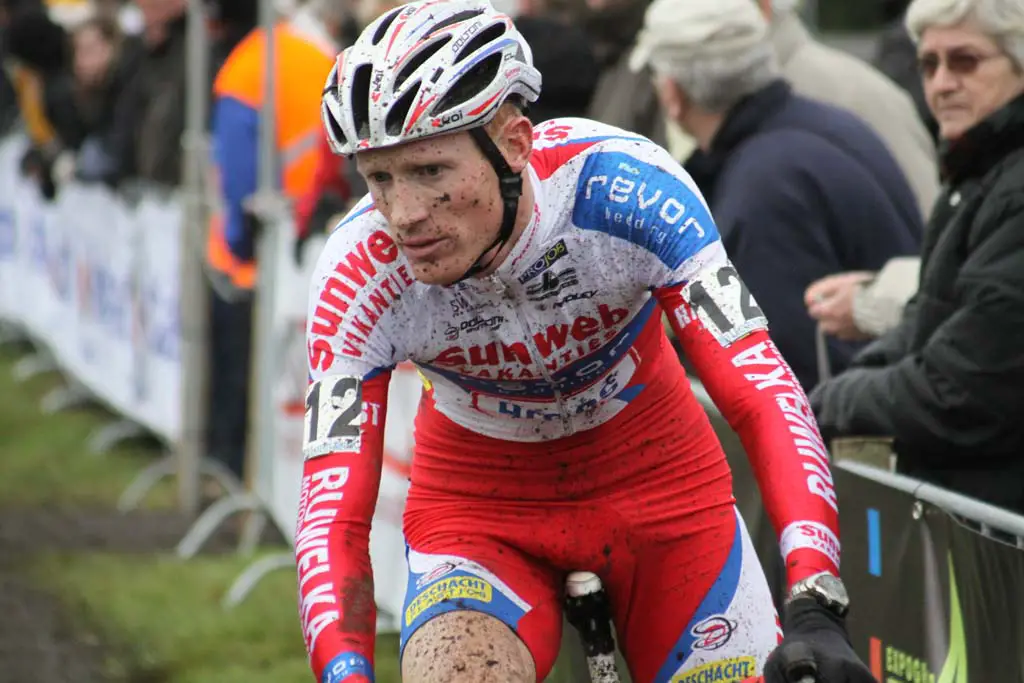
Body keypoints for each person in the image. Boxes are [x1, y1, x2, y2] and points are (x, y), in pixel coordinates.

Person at [297, 2, 875, 683]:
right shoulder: (358, 271)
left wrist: (813, 593)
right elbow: (330, 512)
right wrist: (345, 672)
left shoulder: (623, 191)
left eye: (429, 171)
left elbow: (761, 387)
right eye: (379, 177)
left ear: (514, 142)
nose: (404, 213)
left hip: (664, 490)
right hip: (481, 514)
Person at [631, 0, 922, 390]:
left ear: (672, 93)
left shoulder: (762, 190)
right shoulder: (830, 124)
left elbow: (779, 375)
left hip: (854, 427)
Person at [810, 0, 1024, 514]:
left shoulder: (1011, 188)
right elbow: (926, 321)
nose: (942, 83)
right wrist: (846, 389)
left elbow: (963, 392)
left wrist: (822, 405)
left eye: (965, 61)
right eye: (929, 64)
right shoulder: (979, 170)